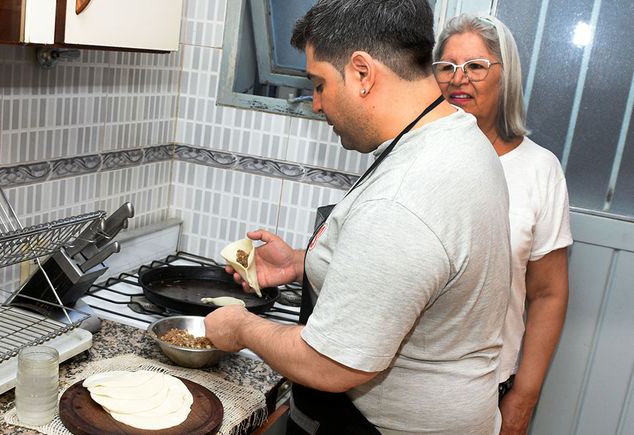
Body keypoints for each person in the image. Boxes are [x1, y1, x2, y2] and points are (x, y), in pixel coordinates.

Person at [204, 1, 512, 433]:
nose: (315, 104)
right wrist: (302, 262)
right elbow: (419, 269)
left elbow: (332, 363)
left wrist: (241, 327)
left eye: (319, 84)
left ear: (362, 73)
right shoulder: (457, 136)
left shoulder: (404, 196)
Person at [433, 14, 573, 435]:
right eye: (447, 67)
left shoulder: (539, 170)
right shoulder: (413, 155)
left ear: (504, 76)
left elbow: (548, 294)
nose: (459, 79)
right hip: (392, 384)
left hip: (482, 394)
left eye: (475, 66)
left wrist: (523, 398)